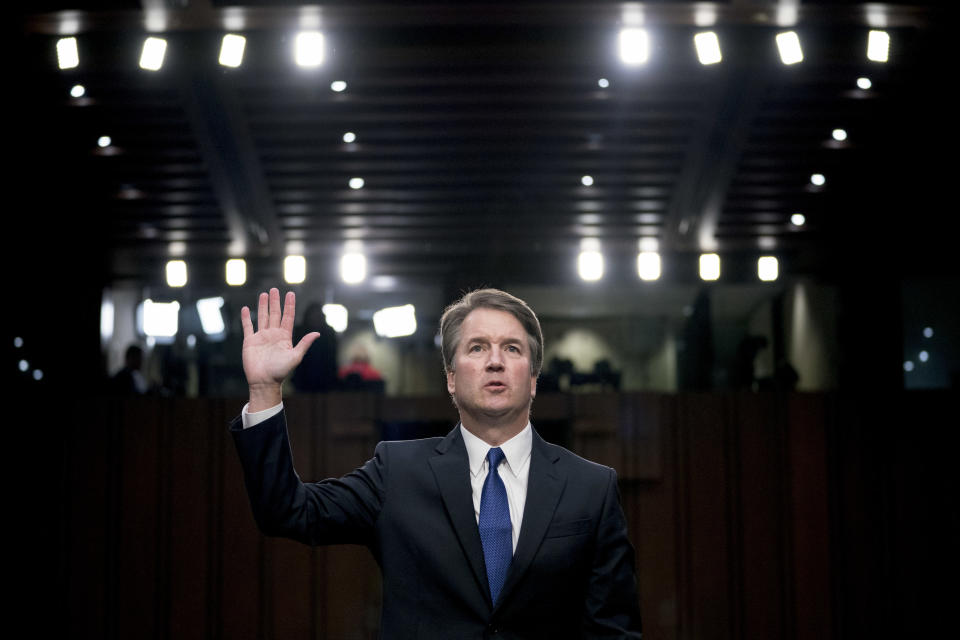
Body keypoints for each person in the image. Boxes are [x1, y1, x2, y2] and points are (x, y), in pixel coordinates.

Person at [231, 288, 643, 638]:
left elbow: (615, 630)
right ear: (450, 377)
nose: (494, 361)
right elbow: (286, 511)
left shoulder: (592, 487)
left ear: (533, 378)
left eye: (512, 349)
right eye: (477, 347)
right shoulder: (397, 473)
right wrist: (265, 389)